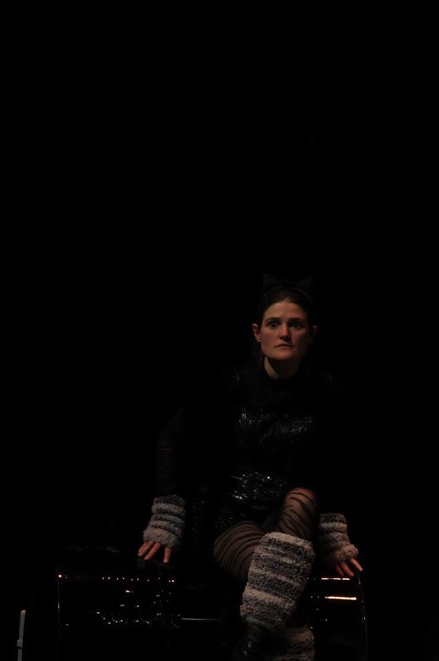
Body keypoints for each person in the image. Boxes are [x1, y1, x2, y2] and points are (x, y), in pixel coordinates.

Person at [137, 275, 364, 661]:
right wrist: (167, 515)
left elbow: (332, 466)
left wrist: (332, 532)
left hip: (289, 522)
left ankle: (247, 647)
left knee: (302, 497)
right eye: (274, 324)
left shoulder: (328, 393)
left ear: (312, 334)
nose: (285, 333)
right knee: (277, 575)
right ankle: (261, 644)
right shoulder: (230, 386)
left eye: (295, 324)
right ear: (257, 333)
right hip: (230, 518)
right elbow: (171, 438)